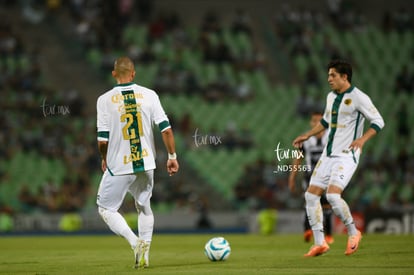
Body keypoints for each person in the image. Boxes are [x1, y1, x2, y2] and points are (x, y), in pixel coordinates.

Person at [292, 60, 384, 257]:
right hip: (328, 154)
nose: (329, 79)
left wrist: (362, 140)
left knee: (333, 196)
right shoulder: (330, 97)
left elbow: (378, 121)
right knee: (310, 196)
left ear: (345, 77)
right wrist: (308, 134)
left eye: (333, 75)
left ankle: (353, 232)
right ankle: (320, 243)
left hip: (346, 155)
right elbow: (326, 121)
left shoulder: (359, 98)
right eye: (328, 75)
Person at [96, 56, 179, 268]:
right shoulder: (150, 95)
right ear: (133, 73)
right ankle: (146, 254)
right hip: (146, 163)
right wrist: (172, 157)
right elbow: (166, 129)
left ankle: (135, 243)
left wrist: (104, 159)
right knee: (144, 207)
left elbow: (102, 140)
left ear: (114, 74)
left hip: (120, 165)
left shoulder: (104, 100)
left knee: (105, 209)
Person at [288, 110, 334, 245]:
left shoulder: (331, 137)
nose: (316, 123)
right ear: (311, 122)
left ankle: (329, 233)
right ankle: (307, 230)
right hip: (310, 176)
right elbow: (298, 159)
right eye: (314, 120)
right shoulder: (306, 140)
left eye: (320, 120)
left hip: (327, 175)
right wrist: (292, 177)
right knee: (310, 202)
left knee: (327, 204)